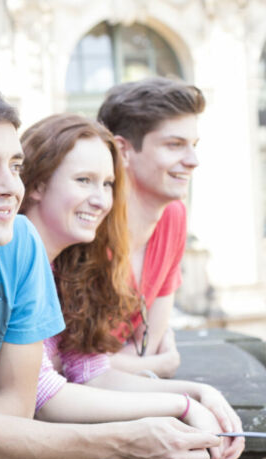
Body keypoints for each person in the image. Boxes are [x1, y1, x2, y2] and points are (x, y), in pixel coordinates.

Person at [0, 85, 221, 459]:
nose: (8, 186)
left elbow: (19, 403)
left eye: (15, 166)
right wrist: (128, 439)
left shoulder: (20, 242)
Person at [19, 112, 244, 459]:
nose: (100, 200)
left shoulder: (62, 266)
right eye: (83, 180)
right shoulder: (14, 258)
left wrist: (200, 393)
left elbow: (92, 373)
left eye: (107, 184)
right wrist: (181, 406)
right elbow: (43, 397)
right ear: (37, 184)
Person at [97, 77, 206, 378]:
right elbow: (58, 364)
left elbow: (148, 344)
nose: (193, 160)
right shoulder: (87, 227)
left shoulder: (173, 216)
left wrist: (142, 363)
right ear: (123, 150)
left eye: (193, 146)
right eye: (174, 145)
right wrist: (159, 365)